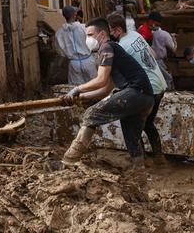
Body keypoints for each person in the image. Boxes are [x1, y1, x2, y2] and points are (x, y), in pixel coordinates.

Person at [61, 16, 156, 170]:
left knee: (91, 114)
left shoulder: (107, 47)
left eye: (90, 35)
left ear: (102, 34)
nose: (88, 39)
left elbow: (101, 80)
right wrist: (82, 97)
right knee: (131, 136)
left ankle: (70, 159)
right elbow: (107, 88)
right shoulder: (113, 49)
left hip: (135, 92)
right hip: (145, 97)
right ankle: (139, 171)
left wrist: (78, 89)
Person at [114, 13, 169, 164]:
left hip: (148, 88)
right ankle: (158, 157)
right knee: (148, 123)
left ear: (117, 30)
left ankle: (140, 161)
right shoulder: (135, 34)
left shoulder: (121, 47)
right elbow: (154, 54)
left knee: (133, 124)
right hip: (160, 84)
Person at [54, 5, 97, 85]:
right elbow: (94, 43)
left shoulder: (59, 33)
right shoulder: (85, 28)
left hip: (74, 64)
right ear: (75, 15)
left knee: (77, 89)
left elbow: (60, 51)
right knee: (94, 86)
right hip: (88, 61)